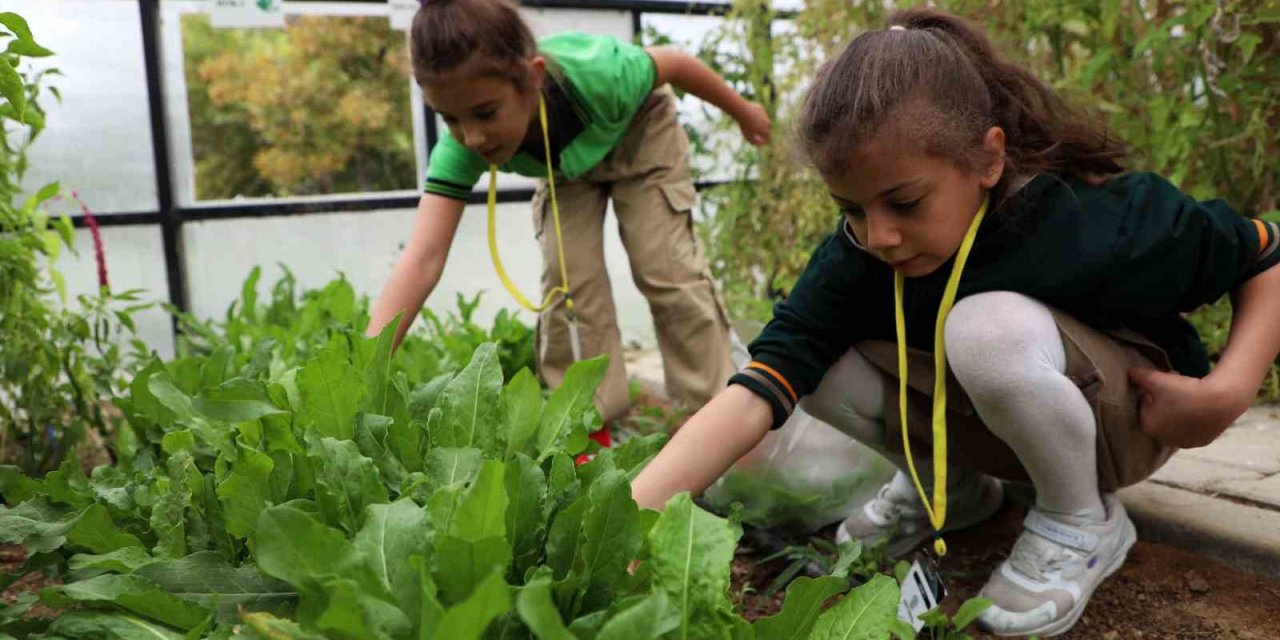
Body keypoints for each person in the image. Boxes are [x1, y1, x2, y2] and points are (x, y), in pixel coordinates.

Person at [629, 8, 1280, 637]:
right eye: (850, 209)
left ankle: (1080, 519)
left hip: (1130, 420)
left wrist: (1226, 393)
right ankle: (948, 491)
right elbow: (758, 388)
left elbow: (1266, 251)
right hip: (990, 425)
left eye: (905, 202)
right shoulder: (858, 254)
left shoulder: (1090, 222)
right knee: (810, 362)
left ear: (988, 160)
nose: (878, 236)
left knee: (983, 327)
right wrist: (628, 522)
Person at [367, 0, 771, 425]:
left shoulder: (601, 73)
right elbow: (424, 257)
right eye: (449, 118)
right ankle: (584, 423)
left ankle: (712, 417)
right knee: (569, 282)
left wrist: (744, 113)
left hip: (639, 134)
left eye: (485, 113)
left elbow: (675, 63)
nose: (472, 137)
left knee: (665, 269)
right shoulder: (463, 146)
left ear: (534, 77)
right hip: (564, 168)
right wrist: (368, 365)